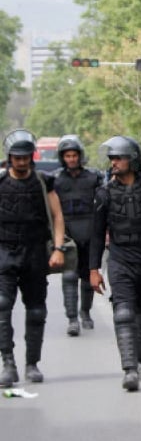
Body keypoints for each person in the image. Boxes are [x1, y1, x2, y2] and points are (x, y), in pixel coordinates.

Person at [89, 136, 141, 392]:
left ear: (132, 160)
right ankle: (129, 369)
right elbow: (97, 233)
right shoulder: (104, 193)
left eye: (119, 158)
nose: (114, 163)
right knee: (123, 313)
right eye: (111, 159)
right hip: (121, 259)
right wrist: (93, 269)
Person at [0, 130, 66, 387]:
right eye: (17, 157)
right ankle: (8, 363)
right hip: (4, 252)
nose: (22, 161)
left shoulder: (43, 181)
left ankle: (32, 364)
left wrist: (59, 248)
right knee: (2, 306)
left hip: (35, 253)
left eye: (26, 156)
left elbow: (58, 216)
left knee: (36, 310)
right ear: (9, 158)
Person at [53, 135, 104, 336]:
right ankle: (72, 318)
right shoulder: (56, 180)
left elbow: (103, 205)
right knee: (69, 276)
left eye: (74, 155)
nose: (71, 159)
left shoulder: (93, 177)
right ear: (62, 157)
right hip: (67, 234)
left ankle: (85, 312)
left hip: (90, 232)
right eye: (68, 156)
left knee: (87, 275)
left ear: (80, 156)